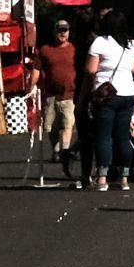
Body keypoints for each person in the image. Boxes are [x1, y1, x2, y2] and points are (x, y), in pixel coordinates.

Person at [83, 11, 134, 192]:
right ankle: (124, 178)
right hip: (128, 93)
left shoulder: (100, 42)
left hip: (107, 94)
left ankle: (102, 178)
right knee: (123, 136)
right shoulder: (132, 44)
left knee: (104, 136)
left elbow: (91, 69)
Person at [37, 20, 79, 185]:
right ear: (54, 32)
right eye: (60, 30)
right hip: (51, 94)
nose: (63, 33)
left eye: (65, 30)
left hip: (69, 94)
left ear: (69, 32)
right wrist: (33, 87)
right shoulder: (46, 50)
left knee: (68, 124)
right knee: (51, 127)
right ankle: (56, 149)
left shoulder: (74, 49)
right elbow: (37, 69)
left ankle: (65, 151)